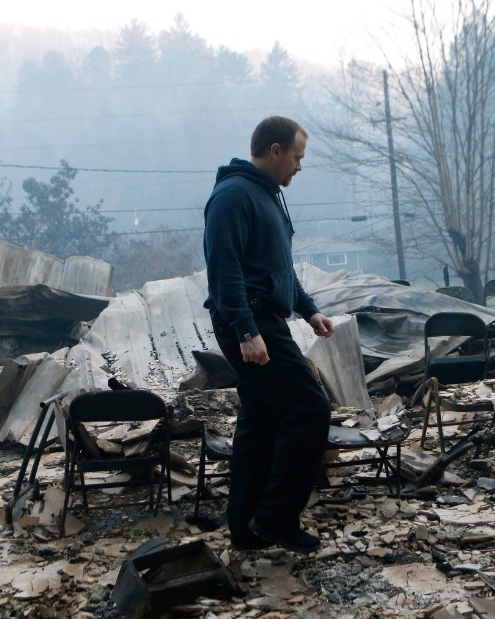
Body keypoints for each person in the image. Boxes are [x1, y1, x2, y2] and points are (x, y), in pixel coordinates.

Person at [202, 116, 335, 553]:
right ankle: (276, 517)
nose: (299, 166)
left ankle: (245, 529)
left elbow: (279, 269)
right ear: (275, 150)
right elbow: (225, 270)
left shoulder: (269, 197)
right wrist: (245, 330)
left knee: (261, 421)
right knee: (310, 409)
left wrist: (310, 311)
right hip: (249, 322)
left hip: (265, 320)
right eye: (297, 156)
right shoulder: (233, 196)